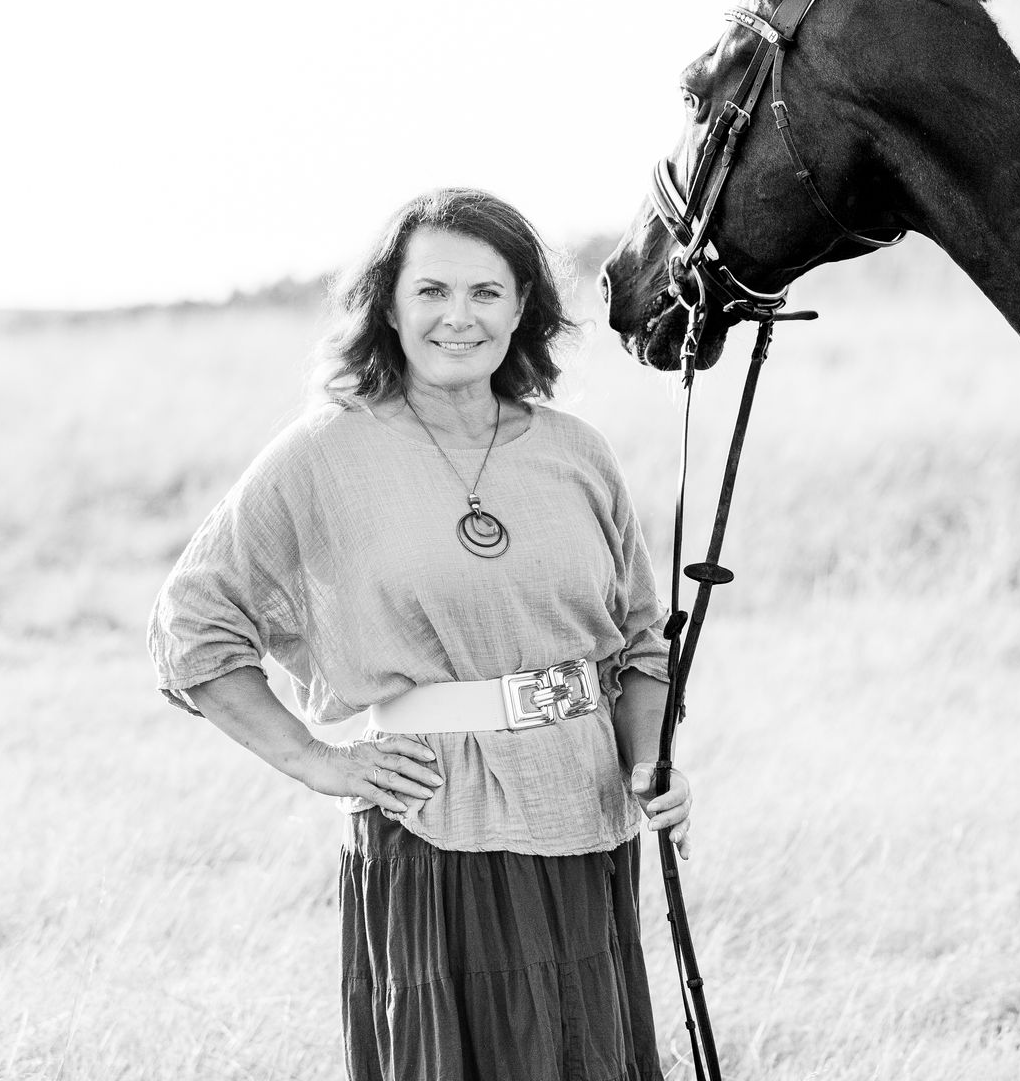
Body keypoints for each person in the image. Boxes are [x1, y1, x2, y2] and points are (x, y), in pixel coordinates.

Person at [147, 188, 686, 1081]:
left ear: (524, 309)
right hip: (436, 825)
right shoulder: (326, 453)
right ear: (388, 307)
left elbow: (636, 645)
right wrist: (316, 760)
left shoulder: (577, 452)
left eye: (487, 291)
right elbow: (192, 627)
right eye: (431, 290)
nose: (458, 317)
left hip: (586, 821)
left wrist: (648, 762)